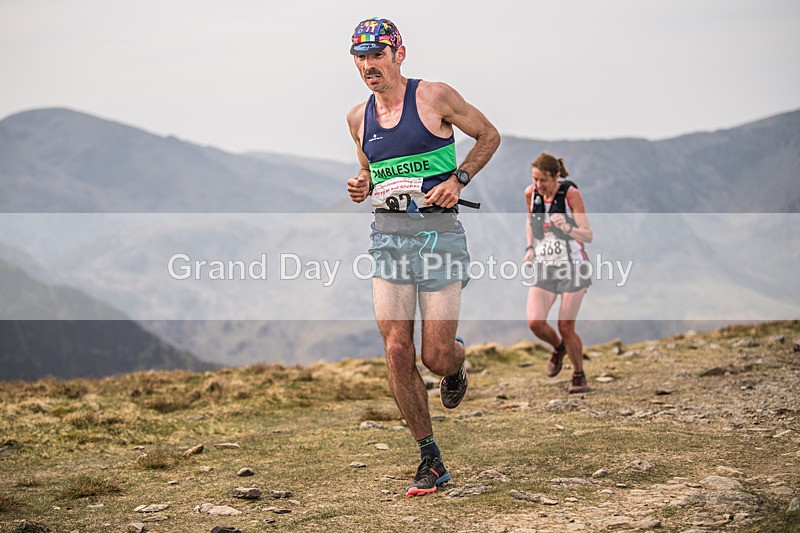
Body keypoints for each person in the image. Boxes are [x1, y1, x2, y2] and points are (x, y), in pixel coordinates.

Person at [345, 17, 500, 497]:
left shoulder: (433, 96)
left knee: (434, 355)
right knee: (396, 347)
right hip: (388, 239)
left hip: (438, 236)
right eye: (360, 57)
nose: (369, 65)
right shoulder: (357, 117)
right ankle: (430, 458)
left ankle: (455, 365)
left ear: (399, 53)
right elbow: (371, 171)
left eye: (377, 54)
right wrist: (361, 185)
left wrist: (460, 180)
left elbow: (489, 135)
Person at [524, 153, 593, 393]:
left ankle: (578, 374)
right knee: (535, 322)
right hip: (546, 265)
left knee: (565, 324)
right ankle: (559, 347)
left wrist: (568, 227)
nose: (538, 185)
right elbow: (530, 222)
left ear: (556, 176)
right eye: (535, 179)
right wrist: (531, 247)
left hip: (574, 266)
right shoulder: (530, 194)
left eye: (543, 180)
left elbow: (588, 235)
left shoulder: (570, 195)